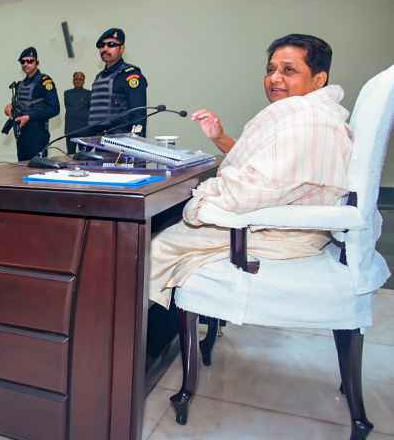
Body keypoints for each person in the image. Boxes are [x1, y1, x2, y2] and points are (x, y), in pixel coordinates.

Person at [149, 34, 349, 308]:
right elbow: (269, 167)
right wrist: (220, 138)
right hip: (276, 221)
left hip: (279, 233)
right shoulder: (307, 113)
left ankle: (136, 340)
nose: (275, 78)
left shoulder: (309, 122)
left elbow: (248, 192)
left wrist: (198, 194)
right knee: (164, 223)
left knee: (155, 245)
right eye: (271, 69)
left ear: (319, 79)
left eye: (288, 70)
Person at [4, 46, 60, 161]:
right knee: (21, 172)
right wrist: (10, 108)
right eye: (23, 61)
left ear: (37, 62)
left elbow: (54, 108)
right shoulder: (20, 85)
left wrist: (30, 116)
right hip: (21, 136)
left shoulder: (44, 81)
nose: (26, 64)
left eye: (30, 61)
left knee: (37, 171)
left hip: (37, 135)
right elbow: (20, 106)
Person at [88, 28, 148, 135]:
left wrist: (135, 144)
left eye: (111, 44)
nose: (105, 48)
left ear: (122, 49)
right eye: (102, 45)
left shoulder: (130, 76)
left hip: (121, 143)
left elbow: (138, 116)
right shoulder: (99, 77)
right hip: (98, 142)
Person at [63, 71, 90, 153]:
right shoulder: (67, 93)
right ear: (73, 80)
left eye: (81, 79)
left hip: (84, 130)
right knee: (70, 154)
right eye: (76, 79)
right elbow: (70, 107)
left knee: (84, 155)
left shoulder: (89, 94)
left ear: (84, 81)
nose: (78, 81)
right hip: (71, 129)